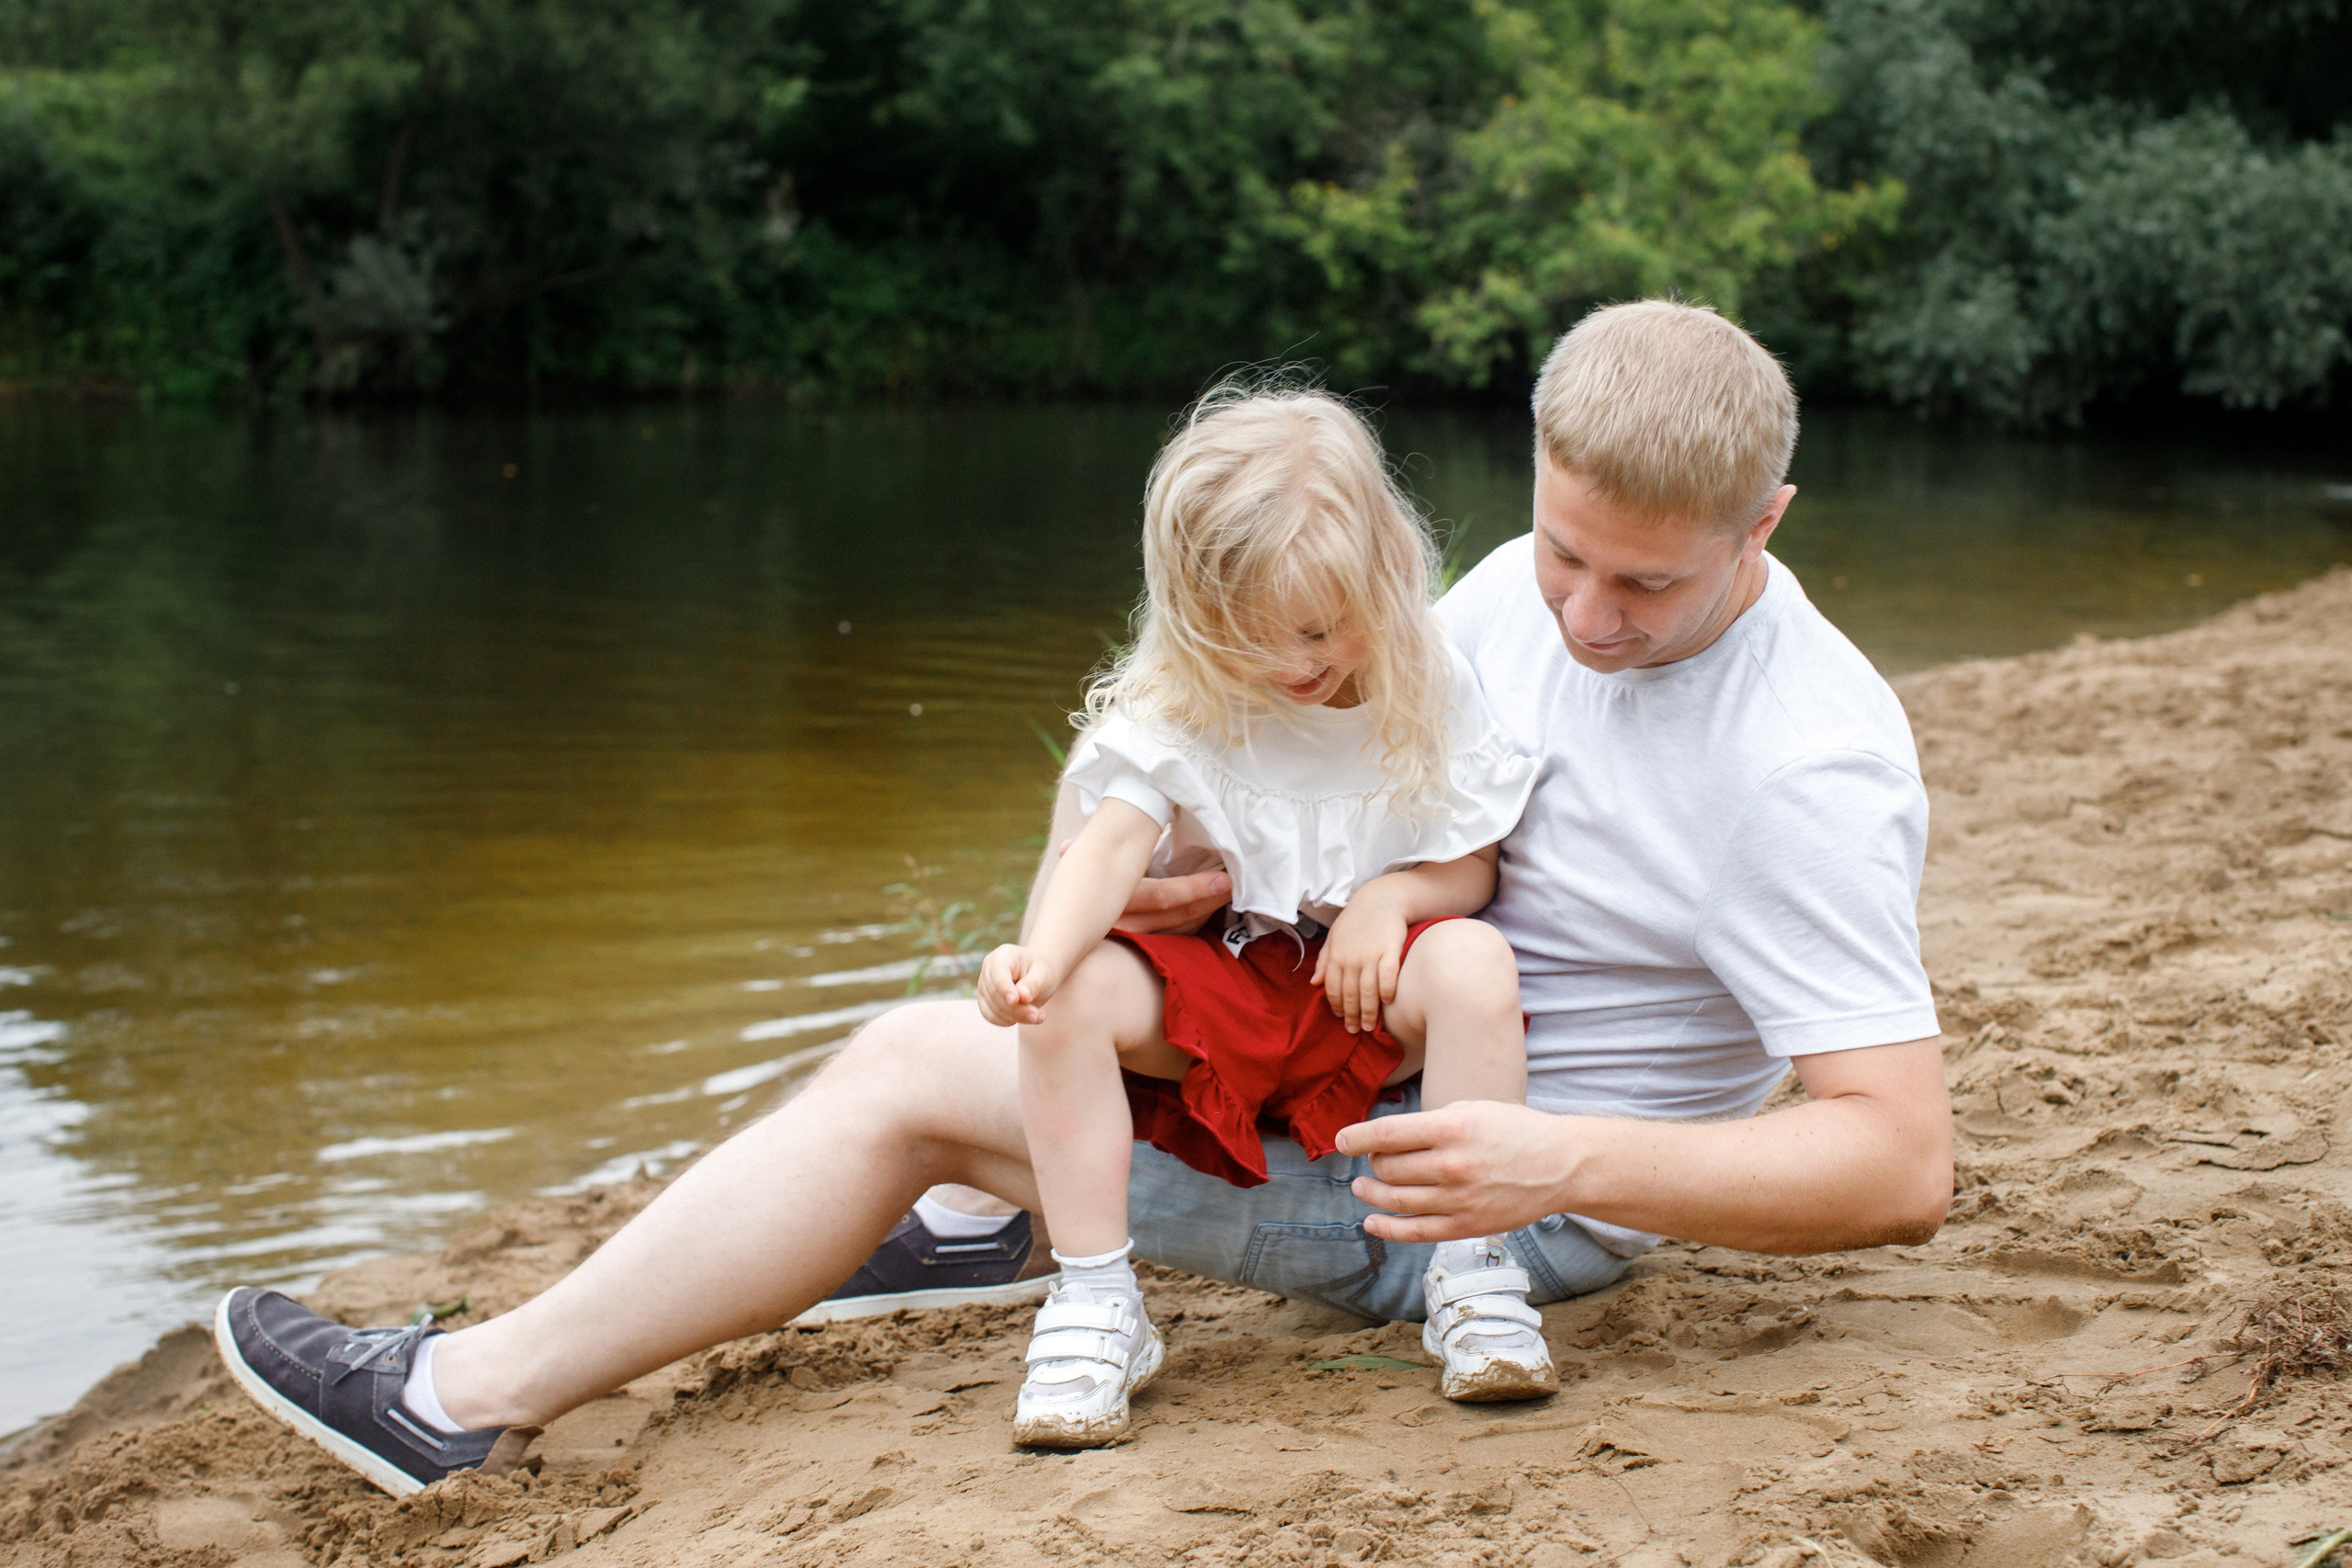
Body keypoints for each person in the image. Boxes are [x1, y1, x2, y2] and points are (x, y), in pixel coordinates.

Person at [212, 299, 1952, 1500]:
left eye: (1642, 585)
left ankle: (455, 1400)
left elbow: (1897, 1161)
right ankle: (993, 1216)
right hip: (1340, 1054)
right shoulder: (1511, 589)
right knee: (1102, 912)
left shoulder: (1803, 760)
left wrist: (1550, 1163)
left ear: (1768, 523)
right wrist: (1198, 881)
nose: (1579, 615)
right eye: (1563, 550)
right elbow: (1314, 768)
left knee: (903, 1072)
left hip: (1486, 1200)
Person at [978, 385, 1545, 1447]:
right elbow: (1101, 850)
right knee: (1065, 1002)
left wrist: (1394, 898)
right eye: (1253, 638)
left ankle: (1472, 1276)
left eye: (1325, 630)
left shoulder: (1422, 674)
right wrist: (1037, 959)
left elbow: (1470, 864)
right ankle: (1096, 1298)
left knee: (1474, 963)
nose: (1295, 665)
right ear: (1197, 613)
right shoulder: (1184, 692)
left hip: (1364, 990)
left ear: (1380, 577)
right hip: (1229, 983)